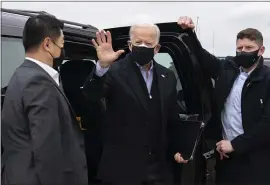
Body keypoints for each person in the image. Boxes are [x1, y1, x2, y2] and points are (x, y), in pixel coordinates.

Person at [177, 16, 270, 185]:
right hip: (226, 156)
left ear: (261, 50)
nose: (243, 51)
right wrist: (189, 32)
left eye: (249, 48)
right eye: (239, 47)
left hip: (259, 159)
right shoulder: (227, 68)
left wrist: (236, 145)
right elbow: (201, 56)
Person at [83, 22, 187, 185]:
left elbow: (172, 117)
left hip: (158, 168)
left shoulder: (167, 75)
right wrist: (102, 66)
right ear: (130, 45)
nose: (143, 46)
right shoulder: (114, 71)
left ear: (157, 48)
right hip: (122, 169)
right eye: (138, 42)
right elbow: (91, 96)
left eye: (148, 43)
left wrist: (178, 148)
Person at [1, 14, 88, 185]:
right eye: (62, 44)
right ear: (48, 44)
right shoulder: (39, 82)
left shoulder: (20, 75)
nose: (62, 51)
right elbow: (47, 151)